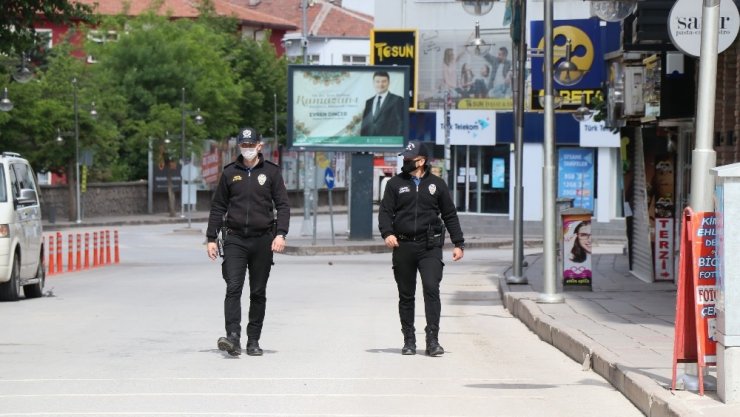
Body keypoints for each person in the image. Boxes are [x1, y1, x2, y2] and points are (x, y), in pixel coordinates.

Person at [206, 127, 290, 357]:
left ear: (260, 146)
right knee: (233, 287)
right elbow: (218, 207)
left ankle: (253, 340)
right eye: (244, 145)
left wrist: (281, 234)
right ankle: (233, 337)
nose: (248, 149)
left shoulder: (271, 173)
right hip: (235, 239)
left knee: (258, 292)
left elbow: (282, 205)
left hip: (263, 239)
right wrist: (211, 238)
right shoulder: (229, 172)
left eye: (252, 145)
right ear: (239, 147)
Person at [378, 140, 465, 357]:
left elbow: (449, 214)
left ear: (422, 161)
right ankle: (409, 340)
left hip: (429, 246)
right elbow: (385, 212)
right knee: (406, 295)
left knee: (431, 289)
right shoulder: (395, 184)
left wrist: (458, 243)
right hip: (403, 245)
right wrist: (387, 233)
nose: (406, 162)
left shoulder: (437, 184)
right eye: (405, 159)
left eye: (410, 159)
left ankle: (433, 340)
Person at [360, 71, 405, 137]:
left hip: (388, 143)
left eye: (384, 81)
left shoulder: (397, 99)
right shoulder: (369, 102)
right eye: (377, 81)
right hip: (370, 142)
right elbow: (364, 125)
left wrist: (397, 143)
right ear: (373, 83)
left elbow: (401, 123)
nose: (380, 84)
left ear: (388, 83)